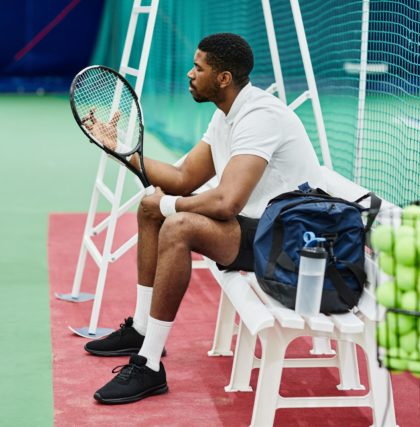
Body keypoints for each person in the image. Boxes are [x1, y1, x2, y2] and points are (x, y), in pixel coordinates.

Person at [83, 33, 324, 404]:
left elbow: (227, 202)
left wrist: (171, 207)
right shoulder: (226, 115)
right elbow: (183, 180)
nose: (190, 74)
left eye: (199, 68)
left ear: (224, 78)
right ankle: (143, 328)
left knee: (179, 225)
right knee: (150, 206)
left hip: (286, 240)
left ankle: (148, 366)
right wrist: (120, 149)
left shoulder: (259, 117)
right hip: (257, 227)